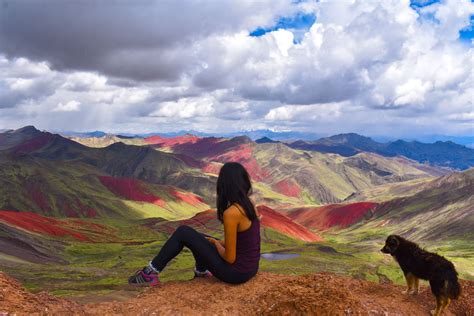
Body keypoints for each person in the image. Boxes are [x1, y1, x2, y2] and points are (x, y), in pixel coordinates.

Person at [128, 162, 261, 286]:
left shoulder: (232, 213)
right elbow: (244, 242)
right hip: (250, 269)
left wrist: (214, 243)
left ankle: (149, 274)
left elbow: (230, 258)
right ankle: (201, 272)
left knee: (183, 232)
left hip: (235, 274)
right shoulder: (250, 205)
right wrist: (214, 242)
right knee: (199, 237)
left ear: (224, 185)